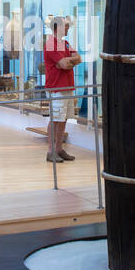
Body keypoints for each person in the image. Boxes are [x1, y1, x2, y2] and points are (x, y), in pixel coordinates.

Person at [43, 16, 81, 162]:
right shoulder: (51, 44)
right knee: (55, 119)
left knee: (63, 118)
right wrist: (67, 63)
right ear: (57, 27)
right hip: (57, 88)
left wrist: (69, 61)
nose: (68, 27)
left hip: (67, 86)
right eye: (65, 25)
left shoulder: (64, 43)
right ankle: (51, 151)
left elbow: (79, 58)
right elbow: (65, 64)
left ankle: (59, 149)